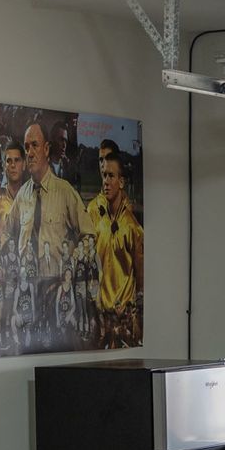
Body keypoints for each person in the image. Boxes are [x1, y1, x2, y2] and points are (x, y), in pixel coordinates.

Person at [14, 120, 87, 343]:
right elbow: (6, 233)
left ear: (46, 149)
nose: (30, 152)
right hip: (28, 291)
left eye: (35, 145)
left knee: (57, 358)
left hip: (57, 289)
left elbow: (88, 234)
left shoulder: (65, 192)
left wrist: (70, 267)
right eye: (26, 147)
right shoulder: (22, 196)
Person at [92, 147, 143, 348]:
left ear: (121, 182)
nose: (105, 181)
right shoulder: (97, 217)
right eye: (104, 175)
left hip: (124, 320)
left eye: (111, 176)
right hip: (101, 317)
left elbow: (141, 278)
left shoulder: (132, 228)